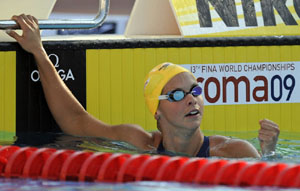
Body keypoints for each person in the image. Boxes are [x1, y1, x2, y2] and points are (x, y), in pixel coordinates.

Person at [6, 14, 280, 158]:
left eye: (195, 91)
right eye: (176, 94)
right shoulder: (140, 143)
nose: (192, 100)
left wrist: (268, 154)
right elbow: (75, 121)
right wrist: (38, 52)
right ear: (156, 111)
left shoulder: (235, 152)